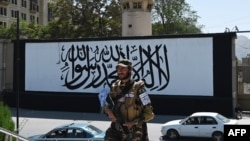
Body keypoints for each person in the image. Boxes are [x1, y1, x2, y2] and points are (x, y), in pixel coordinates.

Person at [103, 58, 154, 141]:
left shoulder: (139, 88)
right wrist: (108, 111)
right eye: (118, 68)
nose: (120, 71)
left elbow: (149, 114)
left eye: (123, 68)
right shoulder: (114, 87)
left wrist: (133, 123)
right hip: (117, 128)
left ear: (130, 69)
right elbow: (106, 104)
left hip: (134, 130)